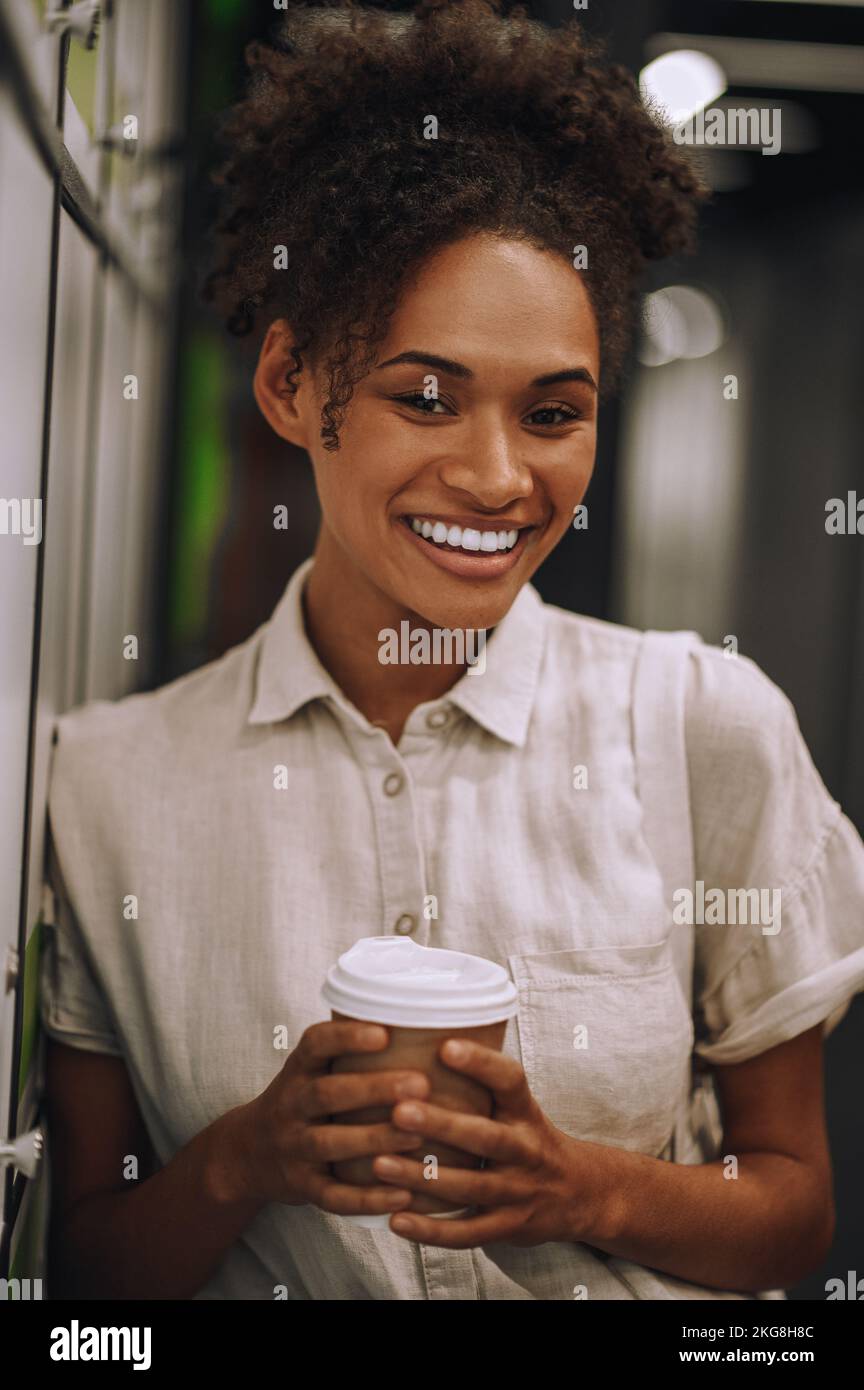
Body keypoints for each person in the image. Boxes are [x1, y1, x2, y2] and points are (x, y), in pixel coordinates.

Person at [41, 0, 864, 1301]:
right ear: (293, 384)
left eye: (553, 413)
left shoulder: (705, 725)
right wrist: (245, 1157)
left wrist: (578, 1183)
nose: (496, 476)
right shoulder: (104, 789)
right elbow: (79, 1274)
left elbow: (794, 1206)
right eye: (425, 396)